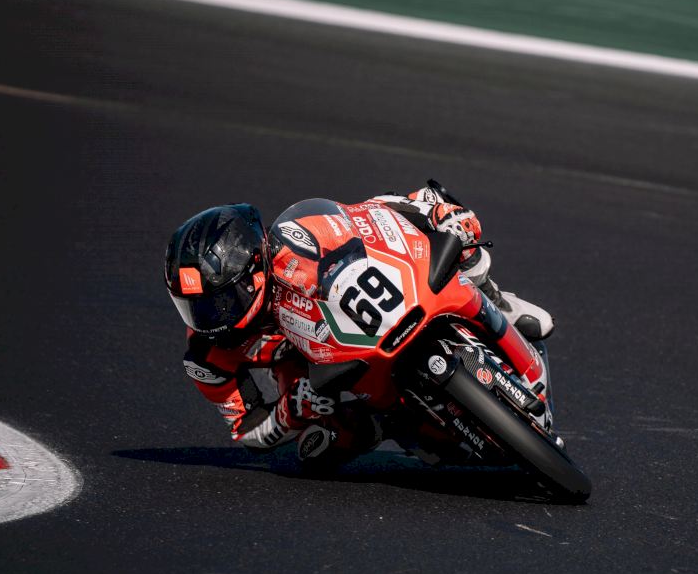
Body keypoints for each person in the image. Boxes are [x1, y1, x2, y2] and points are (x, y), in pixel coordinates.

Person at [163, 181, 554, 466]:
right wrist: (292, 409)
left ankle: (495, 299)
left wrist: (431, 210)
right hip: (319, 378)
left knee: (463, 245)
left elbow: (367, 215)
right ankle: (388, 424)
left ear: (253, 272)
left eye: (221, 301)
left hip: (361, 311)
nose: (210, 319)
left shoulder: (294, 238)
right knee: (318, 450)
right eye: (195, 307)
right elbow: (247, 431)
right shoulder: (206, 356)